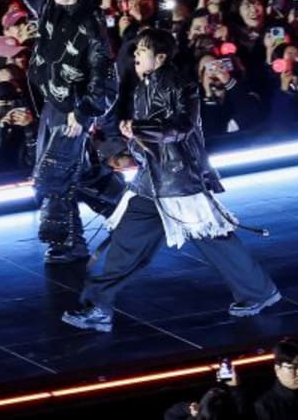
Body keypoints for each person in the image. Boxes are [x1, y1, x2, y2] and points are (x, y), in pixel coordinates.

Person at [61, 29, 280, 333]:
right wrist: (134, 137)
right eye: (136, 50)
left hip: (179, 181)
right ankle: (98, 306)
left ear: (160, 56)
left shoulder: (180, 84)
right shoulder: (141, 88)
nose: (136, 54)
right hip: (151, 181)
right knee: (128, 242)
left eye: (142, 50)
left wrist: (139, 129)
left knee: (213, 239)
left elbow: (181, 126)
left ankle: (259, 291)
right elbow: (150, 136)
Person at [0, 0, 125, 264]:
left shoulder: (91, 28)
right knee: (78, 172)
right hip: (53, 104)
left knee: (52, 176)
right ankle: (129, 212)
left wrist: (85, 111)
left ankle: (68, 243)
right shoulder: (51, 7)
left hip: (73, 111)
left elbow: (106, 80)